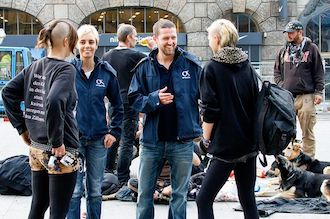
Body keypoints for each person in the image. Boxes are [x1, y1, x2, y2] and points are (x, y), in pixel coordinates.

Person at [1, 20, 80, 219]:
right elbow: (54, 101)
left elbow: (8, 92)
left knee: (38, 206)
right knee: (58, 212)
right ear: (66, 41)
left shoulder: (34, 67)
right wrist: (57, 141)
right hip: (60, 151)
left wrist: (22, 129)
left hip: (36, 148)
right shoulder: (66, 69)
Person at [128, 18, 202, 219]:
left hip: (183, 141)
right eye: (166, 38)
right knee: (144, 195)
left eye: (174, 37)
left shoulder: (192, 64)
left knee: (179, 195)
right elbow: (134, 100)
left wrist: (201, 125)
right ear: (155, 39)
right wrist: (154, 99)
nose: (171, 42)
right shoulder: (144, 66)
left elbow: (206, 98)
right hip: (152, 142)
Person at [196, 19, 259, 219]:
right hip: (249, 143)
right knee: (248, 198)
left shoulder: (212, 68)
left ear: (216, 39)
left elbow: (210, 110)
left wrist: (205, 139)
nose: (208, 41)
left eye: (209, 37)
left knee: (203, 199)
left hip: (225, 145)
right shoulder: (246, 64)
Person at [66, 24, 123, 219]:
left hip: (99, 141)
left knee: (95, 191)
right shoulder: (68, 71)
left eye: (91, 42)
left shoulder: (106, 72)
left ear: (97, 44)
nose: (87, 46)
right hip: (73, 141)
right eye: (83, 42)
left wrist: (114, 132)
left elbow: (118, 105)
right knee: (73, 192)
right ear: (76, 45)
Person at [101, 24, 150, 184]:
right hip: (130, 103)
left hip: (113, 102)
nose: (136, 39)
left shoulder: (106, 56)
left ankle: (107, 172)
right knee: (128, 141)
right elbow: (153, 64)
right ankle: (122, 177)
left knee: (112, 136)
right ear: (128, 37)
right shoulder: (136, 56)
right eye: (135, 36)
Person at [274, 20, 325, 158]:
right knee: (287, 132)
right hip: (287, 97)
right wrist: (281, 86)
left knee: (307, 132)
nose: (289, 35)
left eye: (291, 32)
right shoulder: (283, 50)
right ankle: (290, 161)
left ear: (300, 32)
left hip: (306, 97)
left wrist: (319, 92)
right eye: (287, 33)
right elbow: (277, 71)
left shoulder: (311, 48)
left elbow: (319, 72)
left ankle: (308, 161)